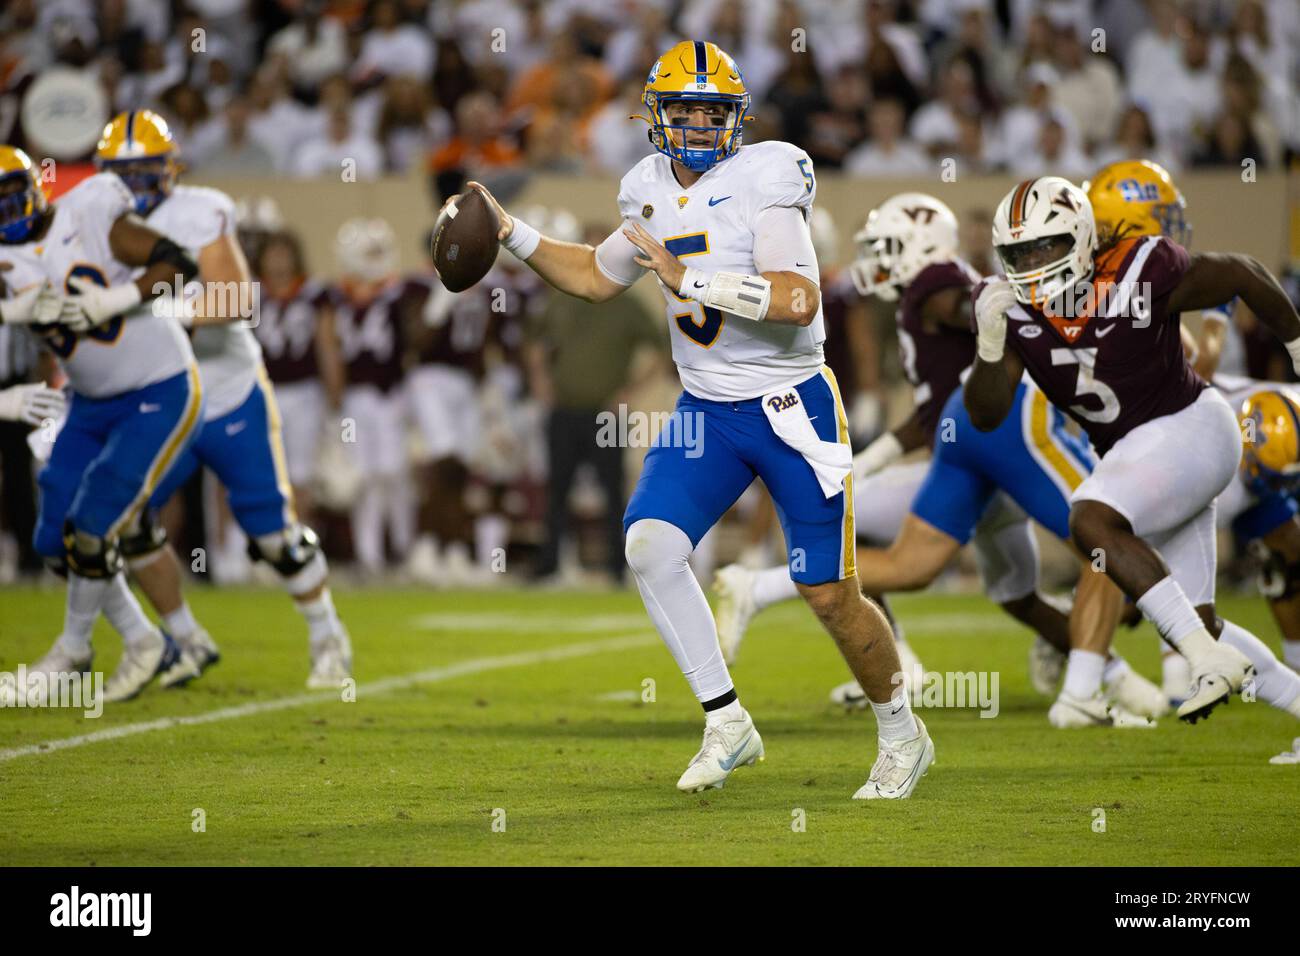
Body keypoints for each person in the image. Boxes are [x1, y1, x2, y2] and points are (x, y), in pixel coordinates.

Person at [466, 40, 933, 799]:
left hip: (789, 406)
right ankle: (727, 723)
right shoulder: (645, 187)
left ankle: (902, 733)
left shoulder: (766, 177)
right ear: (655, 114)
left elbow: (797, 303)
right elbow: (592, 274)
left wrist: (694, 279)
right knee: (649, 545)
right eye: (681, 108)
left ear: (735, 118)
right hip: (708, 411)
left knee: (830, 596)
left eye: (710, 110)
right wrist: (511, 232)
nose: (694, 124)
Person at [714, 193, 1164, 727]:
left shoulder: (934, 282)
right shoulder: (924, 291)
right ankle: (1123, 675)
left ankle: (1106, 670)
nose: (875, 262)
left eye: (886, 249)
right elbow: (938, 399)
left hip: (980, 437)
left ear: (920, 245)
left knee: (994, 582)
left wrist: (1014, 316)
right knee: (1106, 544)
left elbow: (973, 309)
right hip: (990, 434)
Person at [964, 175, 1300, 739]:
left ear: (1079, 236)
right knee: (1198, 621)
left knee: (1091, 517)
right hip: (1146, 453)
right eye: (1018, 252)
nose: (1032, 262)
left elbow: (1242, 272)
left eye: (1045, 245)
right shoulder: (1010, 308)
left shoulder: (1137, 268)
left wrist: (1296, 348)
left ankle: (1198, 659)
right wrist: (989, 346)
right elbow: (985, 414)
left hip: (1192, 424)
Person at [92, 110, 353, 690]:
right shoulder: (93, 222)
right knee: (119, 519)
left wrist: (162, 313)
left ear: (171, 168)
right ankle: (183, 639)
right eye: (122, 171)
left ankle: (327, 637)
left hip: (226, 393)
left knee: (270, 535)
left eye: (144, 170)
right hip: (158, 401)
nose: (133, 185)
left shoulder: (200, 210)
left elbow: (237, 299)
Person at [0, 145, 201, 703]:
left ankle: (72, 649)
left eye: (12, 197)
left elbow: (180, 264)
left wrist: (115, 298)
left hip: (157, 386)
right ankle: (144, 639)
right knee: (54, 535)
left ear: (36, 189)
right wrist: (8, 311)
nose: (6, 214)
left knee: (92, 521)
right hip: (89, 404)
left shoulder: (85, 212)